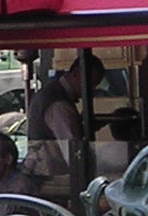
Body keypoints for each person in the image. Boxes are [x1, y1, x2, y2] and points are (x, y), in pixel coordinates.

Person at [26, 51, 96, 184]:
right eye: (91, 83)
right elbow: (72, 150)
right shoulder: (59, 105)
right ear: (76, 73)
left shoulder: (51, 94)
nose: (92, 90)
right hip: (52, 177)